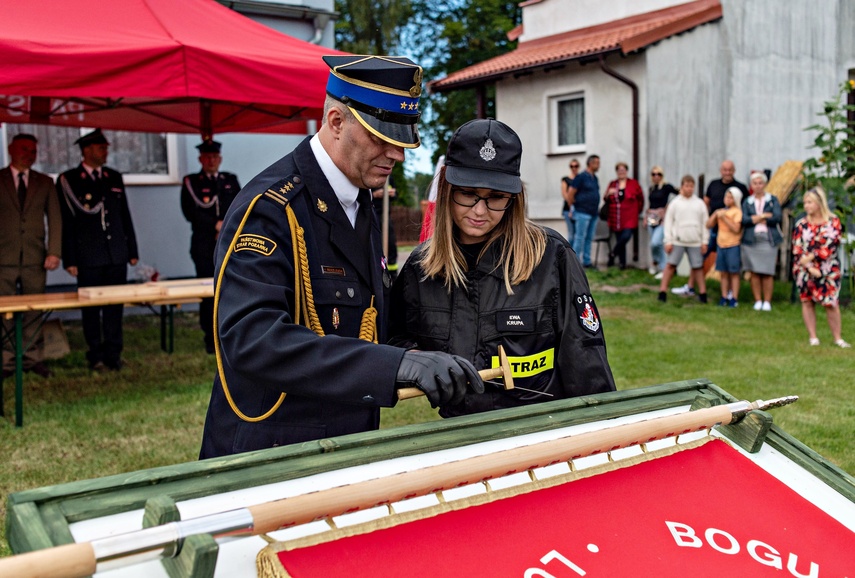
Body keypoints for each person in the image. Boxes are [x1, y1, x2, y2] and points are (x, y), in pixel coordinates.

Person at [199, 55, 484, 459]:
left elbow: (364, 319)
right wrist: (393, 366)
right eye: (381, 137)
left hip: (343, 444)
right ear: (336, 122)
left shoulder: (359, 200)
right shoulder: (272, 207)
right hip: (272, 454)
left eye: (401, 139)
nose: (397, 155)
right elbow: (252, 339)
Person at [388, 119, 615, 418]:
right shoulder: (420, 268)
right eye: (468, 193)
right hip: (460, 439)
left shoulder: (550, 256)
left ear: (514, 198)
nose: (480, 211)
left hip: (539, 436)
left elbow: (587, 365)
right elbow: (393, 342)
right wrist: (416, 361)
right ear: (446, 189)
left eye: (495, 198)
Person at [57, 129, 139, 371]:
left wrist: (131, 249)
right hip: (88, 256)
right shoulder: (69, 179)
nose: (106, 152)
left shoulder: (113, 177)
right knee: (91, 310)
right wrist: (69, 258)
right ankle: (96, 355)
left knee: (115, 307)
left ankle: (113, 353)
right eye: (101, 147)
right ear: (87, 150)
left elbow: (124, 215)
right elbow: (66, 222)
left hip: (115, 253)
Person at [0, 134, 61, 378]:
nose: (29, 154)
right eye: (24, 149)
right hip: (3, 257)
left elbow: (55, 219)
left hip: (35, 258)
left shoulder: (44, 182)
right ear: (11, 149)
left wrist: (54, 251)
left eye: (34, 150)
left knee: (34, 310)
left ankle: (31, 358)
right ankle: (5, 360)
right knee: (3, 311)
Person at [180, 139, 241, 354]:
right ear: (200, 159)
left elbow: (240, 205)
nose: (211, 161)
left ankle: (229, 333)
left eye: (215, 157)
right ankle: (210, 337)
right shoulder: (191, 182)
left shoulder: (229, 180)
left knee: (229, 290)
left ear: (220, 159)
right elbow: (190, 212)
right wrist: (214, 224)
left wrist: (226, 226)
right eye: (207, 157)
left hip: (229, 244)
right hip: (204, 246)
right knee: (208, 292)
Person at [674, 160, 749, 296]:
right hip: (714, 228)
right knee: (699, 256)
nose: (727, 173)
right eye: (724, 170)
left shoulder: (740, 187)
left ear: (734, 171)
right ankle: (690, 286)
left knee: (730, 265)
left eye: (730, 170)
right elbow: (705, 203)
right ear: (721, 170)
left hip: (731, 232)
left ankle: (731, 293)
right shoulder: (713, 184)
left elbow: (744, 210)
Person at [792, 187, 850, 348]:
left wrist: (813, 257)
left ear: (819, 203)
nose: (806, 206)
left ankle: (837, 338)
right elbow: (797, 249)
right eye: (805, 202)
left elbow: (831, 245)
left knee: (831, 303)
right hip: (804, 270)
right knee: (807, 301)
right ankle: (813, 337)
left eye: (809, 202)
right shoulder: (801, 225)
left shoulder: (833, 222)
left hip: (828, 268)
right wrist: (810, 267)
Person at [657, 175, 709, 303]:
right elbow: (668, 223)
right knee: (671, 265)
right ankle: (662, 291)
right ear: (682, 187)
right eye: (687, 186)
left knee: (697, 267)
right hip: (678, 240)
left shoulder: (699, 203)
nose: (689, 189)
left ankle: (703, 293)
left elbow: (704, 223)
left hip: (695, 240)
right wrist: (668, 241)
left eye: (692, 186)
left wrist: (704, 241)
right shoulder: (675, 203)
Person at [740, 172, 782, 311]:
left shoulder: (772, 200)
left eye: (760, 183)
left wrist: (756, 218)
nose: (758, 186)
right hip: (751, 240)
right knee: (754, 271)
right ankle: (757, 300)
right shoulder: (747, 201)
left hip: (768, 239)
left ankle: (767, 301)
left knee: (767, 271)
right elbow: (745, 220)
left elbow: (776, 217)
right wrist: (763, 216)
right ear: (751, 186)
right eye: (755, 183)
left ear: (764, 184)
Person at [602, 162, 644, 269]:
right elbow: (605, 199)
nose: (621, 172)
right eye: (619, 170)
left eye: (623, 170)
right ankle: (622, 264)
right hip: (616, 217)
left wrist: (637, 211)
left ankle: (612, 254)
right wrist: (608, 194)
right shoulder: (612, 184)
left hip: (629, 217)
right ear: (617, 172)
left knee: (625, 237)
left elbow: (641, 199)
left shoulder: (633, 183)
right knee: (620, 240)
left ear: (626, 171)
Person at [706, 186, 743, 306]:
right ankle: (724, 296)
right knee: (723, 272)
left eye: (731, 197)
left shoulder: (737, 212)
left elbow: (736, 229)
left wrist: (724, 218)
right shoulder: (721, 210)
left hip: (733, 244)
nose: (728, 199)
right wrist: (716, 214)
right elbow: (708, 224)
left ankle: (734, 297)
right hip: (721, 244)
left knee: (734, 272)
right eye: (727, 196)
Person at [565, 154, 601, 267]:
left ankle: (587, 261)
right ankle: (575, 263)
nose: (599, 165)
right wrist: (572, 208)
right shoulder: (581, 177)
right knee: (579, 237)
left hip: (593, 213)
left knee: (589, 238)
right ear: (590, 163)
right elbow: (570, 193)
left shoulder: (594, 178)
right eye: (597, 163)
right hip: (582, 212)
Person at [646, 165, 677, 278]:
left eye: (658, 174)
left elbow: (678, 194)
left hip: (662, 219)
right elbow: (650, 204)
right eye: (653, 174)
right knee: (654, 245)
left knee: (656, 242)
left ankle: (664, 268)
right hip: (651, 217)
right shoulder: (652, 188)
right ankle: (658, 265)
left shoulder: (666, 187)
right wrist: (646, 217)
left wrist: (667, 208)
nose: (656, 176)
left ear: (662, 175)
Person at [371, 176, 398, 281]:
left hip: (385, 216)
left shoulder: (388, 178)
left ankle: (393, 275)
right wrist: (374, 195)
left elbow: (396, 194)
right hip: (372, 214)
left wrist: (393, 193)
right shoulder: (368, 176)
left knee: (391, 245)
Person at [560, 159, 581, 242]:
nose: (574, 168)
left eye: (576, 166)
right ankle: (570, 253)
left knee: (578, 234)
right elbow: (564, 193)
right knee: (571, 233)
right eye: (572, 166)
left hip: (579, 209)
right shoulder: (566, 179)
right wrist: (571, 203)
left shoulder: (580, 178)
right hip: (568, 209)